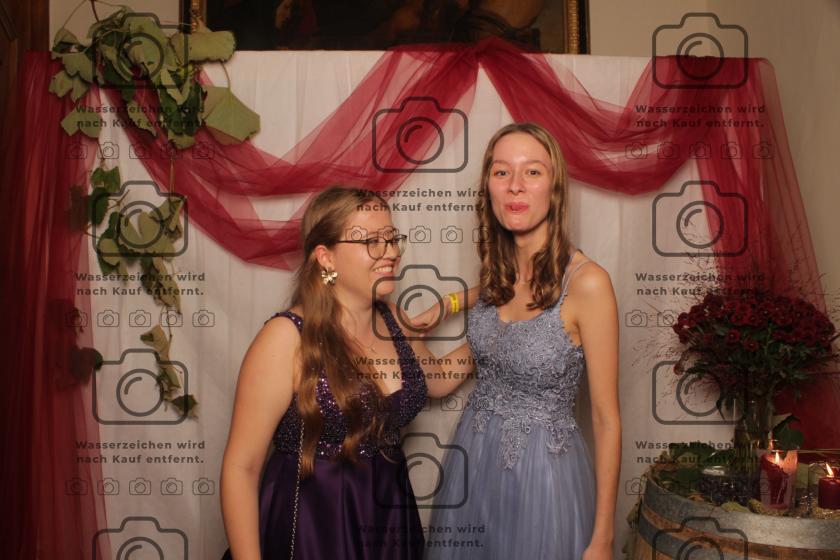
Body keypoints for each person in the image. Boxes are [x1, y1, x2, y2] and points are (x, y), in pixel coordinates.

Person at [417, 122, 621, 559]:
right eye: (501, 171)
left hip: (542, 483)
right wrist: (416, 325)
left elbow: (606, 419)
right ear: (488, 188)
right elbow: (439, 381)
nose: (514, 185)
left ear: (555, 188)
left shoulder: (588, 285)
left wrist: (602, 538)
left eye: (532, 171)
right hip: (474, 469)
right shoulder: (497, 279)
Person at [219, 187, 432, 559]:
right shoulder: (286, 337)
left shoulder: (392, 321)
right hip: (315, 526)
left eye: (391, 238)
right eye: (371, 241)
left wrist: (498, 325)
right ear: (326, 257)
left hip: (390, 520)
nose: (390, 252)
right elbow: (242, 467)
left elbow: (440, 378)